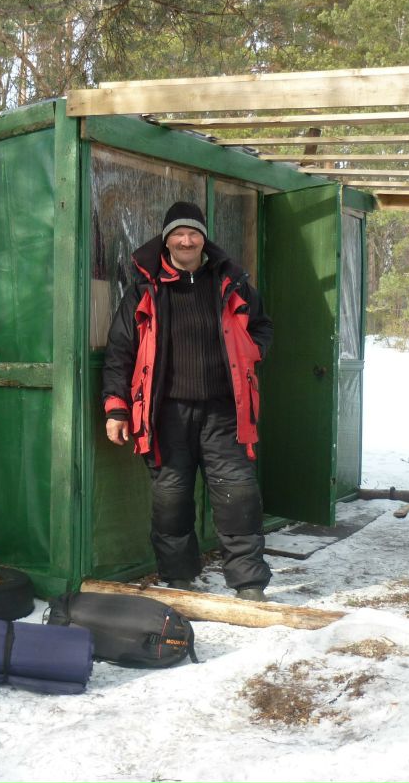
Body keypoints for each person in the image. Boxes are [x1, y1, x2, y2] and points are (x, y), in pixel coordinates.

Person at [102, 201, 274, 601]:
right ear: (167, 240)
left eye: (193, 232)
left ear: (203, 238)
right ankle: (178, 577)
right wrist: (116, 407)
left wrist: (253, 350)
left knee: (238, 496)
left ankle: (248, 583)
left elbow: (262, 326)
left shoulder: (230, 282)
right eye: (178, 233)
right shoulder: (145, 289)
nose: (186, 240)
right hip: (166, 414)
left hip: (225, 410)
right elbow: (119, 352)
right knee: (171, 497)